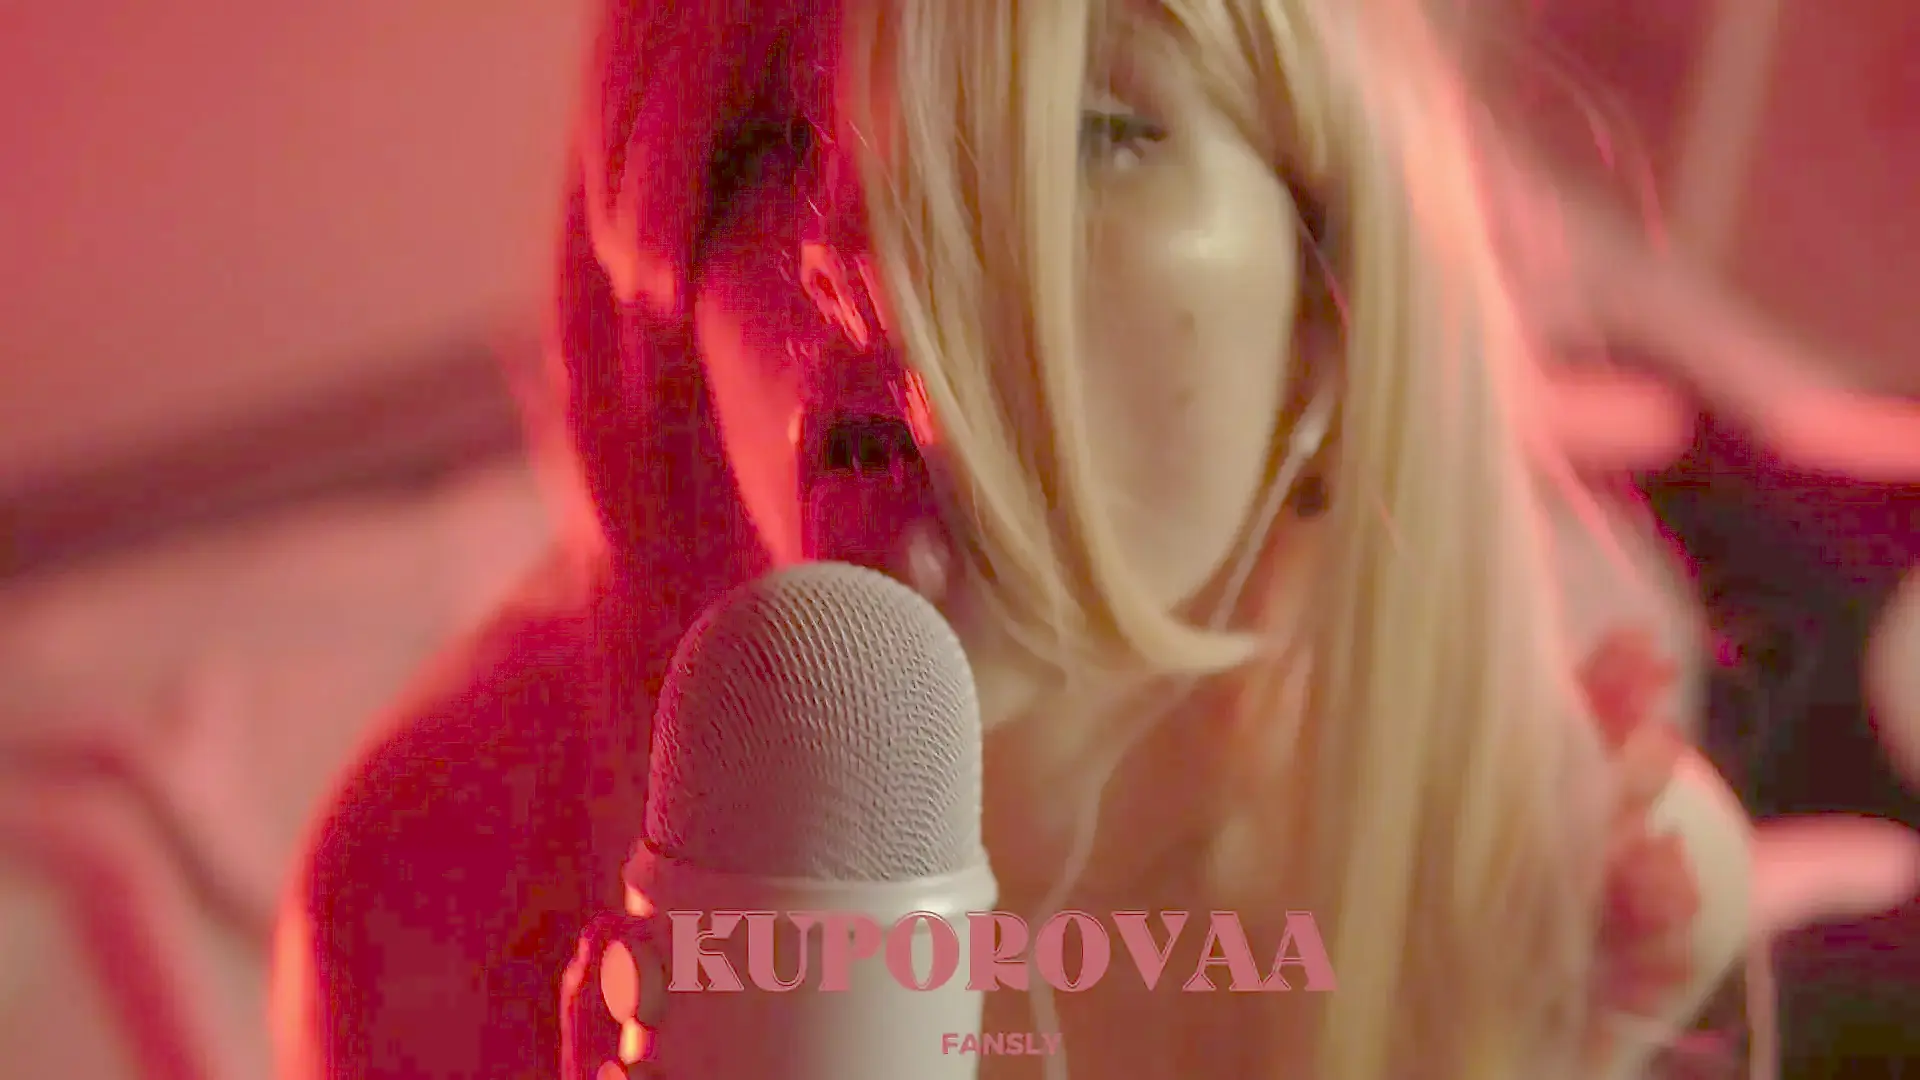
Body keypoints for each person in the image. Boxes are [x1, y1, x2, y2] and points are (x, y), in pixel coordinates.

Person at [271, 1, 1918, 1078]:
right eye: (770, 149)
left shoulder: (1561, 880)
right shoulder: (437, 893)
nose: (884, 268)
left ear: (1328, 302)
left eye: (1097, 132)